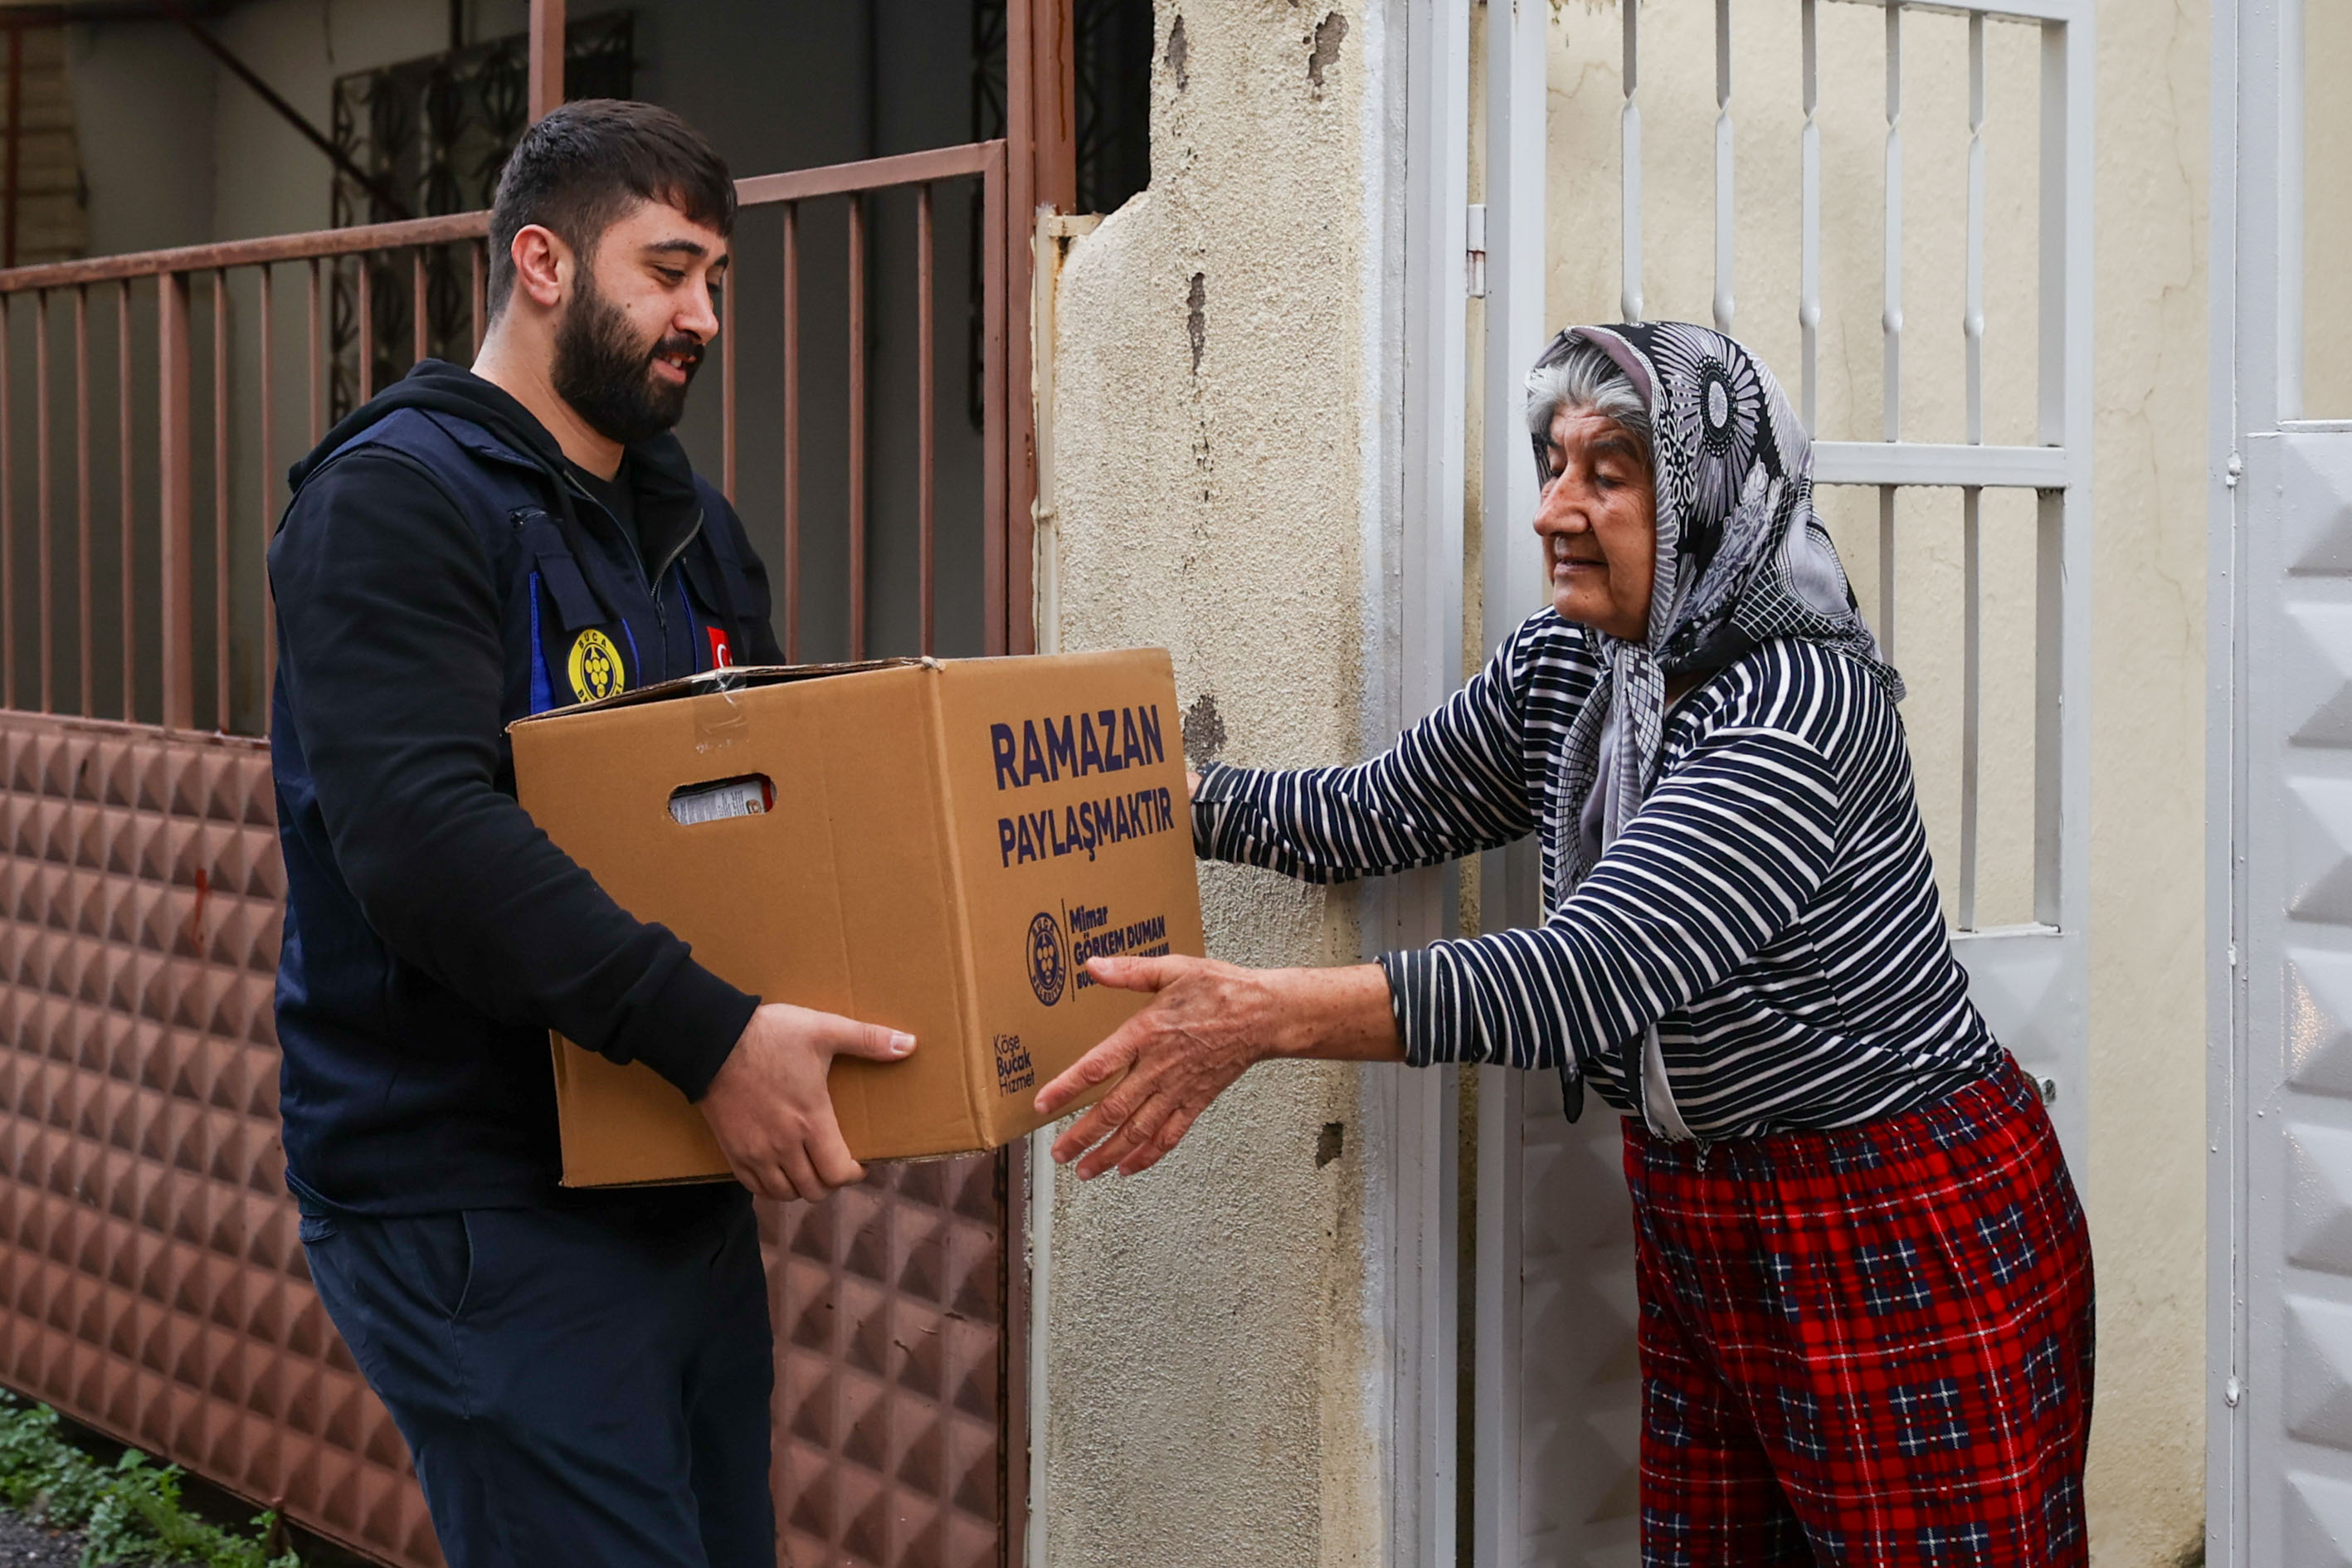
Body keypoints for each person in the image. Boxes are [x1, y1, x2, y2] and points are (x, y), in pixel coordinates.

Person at [1037, 323, 2095, 1565]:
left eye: (1612, 470)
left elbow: (1587, 971)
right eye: (1551, 462)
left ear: (1710, 492)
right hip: (1703, 1217)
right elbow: (1372, 815)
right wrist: (1140, 794)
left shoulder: (1801, 701)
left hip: (1893, 1216)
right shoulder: (1578, 668)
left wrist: (1258, 1015)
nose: (1555, 509)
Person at [267, 100, 913, 1568]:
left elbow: (758, 812)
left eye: (718, 282)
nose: (704, 315)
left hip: (666, 1170)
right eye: (670, 269)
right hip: (473, 1200)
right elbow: (427, 842)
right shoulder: (394, 503)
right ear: (543, 262)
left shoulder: (686, 523)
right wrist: (707, 1033)